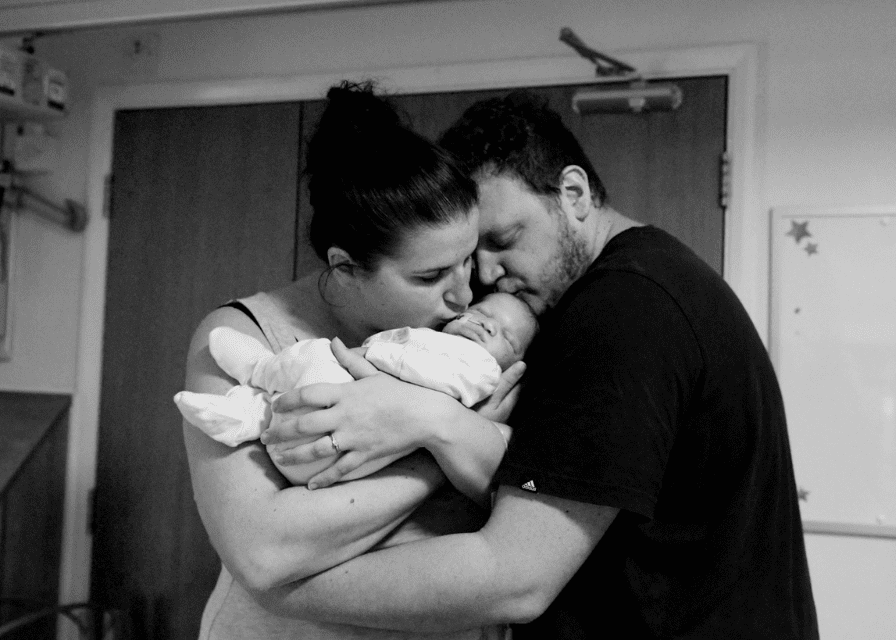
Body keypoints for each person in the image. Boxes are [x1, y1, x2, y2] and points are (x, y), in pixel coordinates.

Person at [256, 90, 820, 639]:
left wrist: (284, 593)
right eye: (472, 255)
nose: (485, 274)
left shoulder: (625, 309)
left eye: (503, 239)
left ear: (573, 193)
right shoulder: (649, 283)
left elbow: (515, 577)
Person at [181, 80, 521, 640]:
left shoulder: (479, 334)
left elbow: (517, 497)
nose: (465, 293)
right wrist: (440, 440)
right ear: (344, 266)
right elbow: (262, 552)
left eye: (467, 259)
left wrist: (433, 424)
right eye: (430, 276)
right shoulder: (244, 337)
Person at [176, 292, 537, 487]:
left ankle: (259, 378)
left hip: (329, 451)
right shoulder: (434, 335)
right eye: (483, 311)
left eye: (507, 337)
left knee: (320, 357)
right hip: (312, 439)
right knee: (316, 362)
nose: (488, 325)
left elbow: (433, 375)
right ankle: (251, 409)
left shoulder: (481, 368)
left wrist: (374, 354)